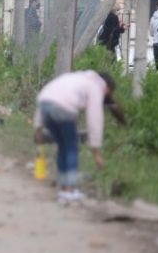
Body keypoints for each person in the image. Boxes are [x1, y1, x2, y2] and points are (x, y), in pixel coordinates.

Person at [33, 71, 126, 202]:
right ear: (107, 88)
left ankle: (63, 187)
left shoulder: (77, 77)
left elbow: (47, 95)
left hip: (44, 106)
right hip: (63, 108)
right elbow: (94, 118)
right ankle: (69, 190)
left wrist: (38, 128)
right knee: (72, 148)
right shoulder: (96, 86)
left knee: (63, 147)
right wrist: (96, 152)